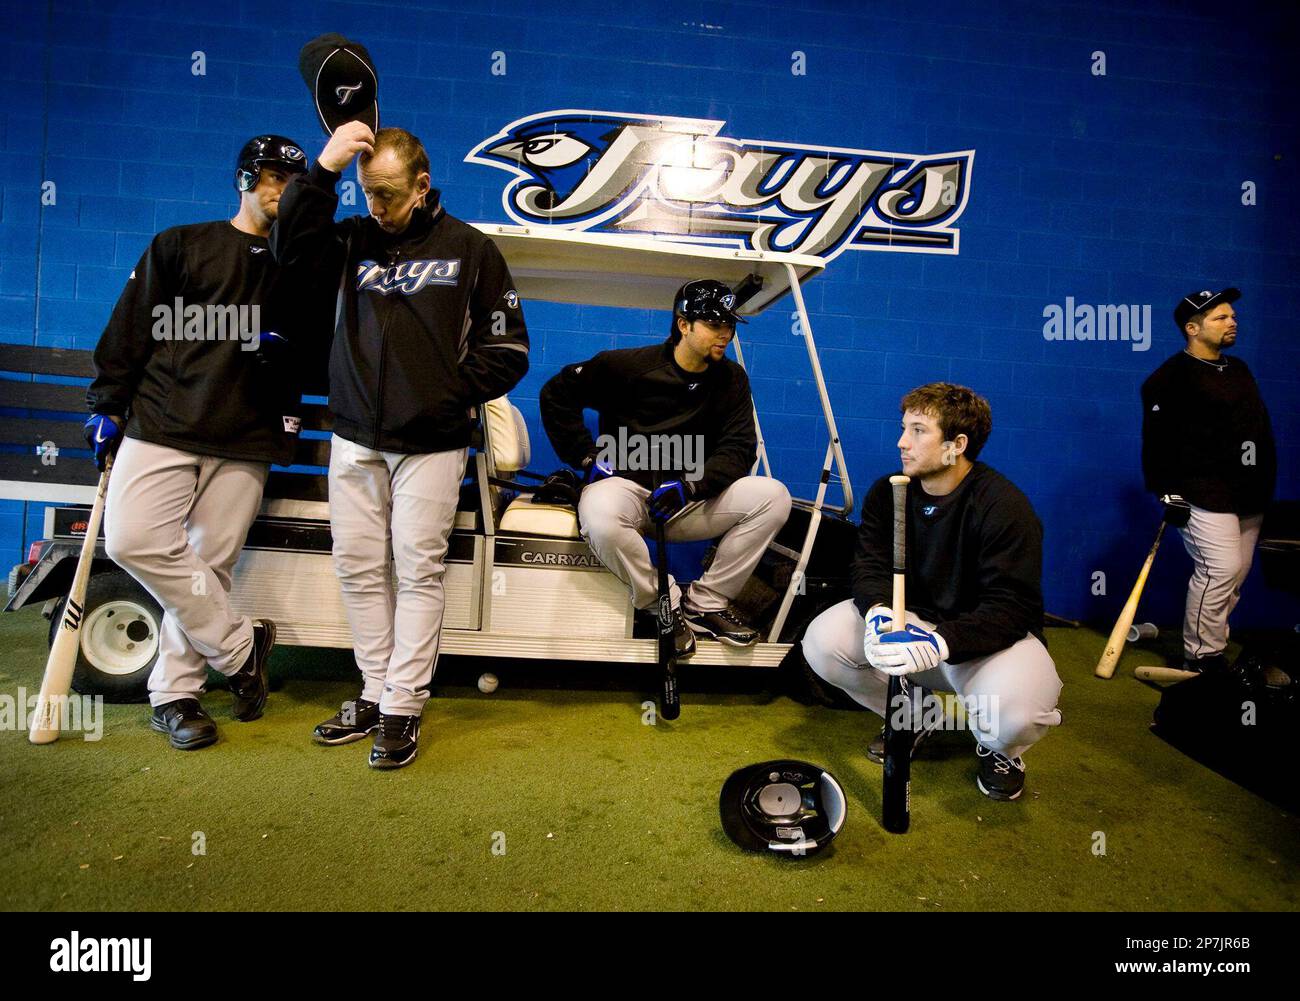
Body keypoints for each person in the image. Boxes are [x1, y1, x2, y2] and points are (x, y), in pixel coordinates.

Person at [270, 122, 529, 769]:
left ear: (422, 183)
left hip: (432, 444)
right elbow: (287, 249)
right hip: (354, 436)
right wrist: (325, 171)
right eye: (368, 194)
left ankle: (402, 706)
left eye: (388, 194)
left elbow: (511, 349)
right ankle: (374, 688)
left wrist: (444, 392)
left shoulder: (470, 249)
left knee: (416, 572)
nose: (378, 208)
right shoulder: (351, 239)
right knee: (358, 568)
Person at [86, 134, 314, 750]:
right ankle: (242, 650)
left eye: (294, 181)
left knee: (209, 568)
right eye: (271, 176)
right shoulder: (182, 245)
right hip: (164, 423)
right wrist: (107, 403)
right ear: (244, 180)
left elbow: (322, 358)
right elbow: (131, 327)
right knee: (132, 538)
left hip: (248, 435)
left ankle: (176, 697)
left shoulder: (300, 268)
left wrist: (290, 352)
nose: (282, 189)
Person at [800, 383, 1062, 801]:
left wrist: (943, 642)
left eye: (919, 430)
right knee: (821, 643)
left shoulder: (1004, 507)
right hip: (913, 626)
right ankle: (918, 713)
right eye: (904, 428)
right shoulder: (890, 492)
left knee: (1014, 718)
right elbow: (868, 566)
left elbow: (1013, 608)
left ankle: (1001, 750)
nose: (902, 442)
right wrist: (880, 612)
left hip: (986, 643)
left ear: (956, 445)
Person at [539, 279, 791, 655]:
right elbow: (556, 395)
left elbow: (739, 448)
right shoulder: (624, 366)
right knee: (599, 514)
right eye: (714, 325)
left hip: (685, 499)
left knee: (773, 496)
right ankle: (664, 605)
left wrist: (691, 487)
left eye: (730, 325)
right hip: (627, 492)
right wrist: (585, 458)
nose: (725, 334)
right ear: (683, 324)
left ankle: (705, 605)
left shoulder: (731, 379)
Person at [1141, 288, 1276, 672]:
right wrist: (1165, 490)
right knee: (1220, 569)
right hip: (1202, 491)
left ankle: (1212, 639)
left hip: (1249, 494)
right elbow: (1156, 440)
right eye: (1220, 318)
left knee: (1236, 575)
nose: (1232, 322)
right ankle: (1202, 656)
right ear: (1192, 328)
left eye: (1232, 316)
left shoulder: (1239, 369)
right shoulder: (1167, 378)